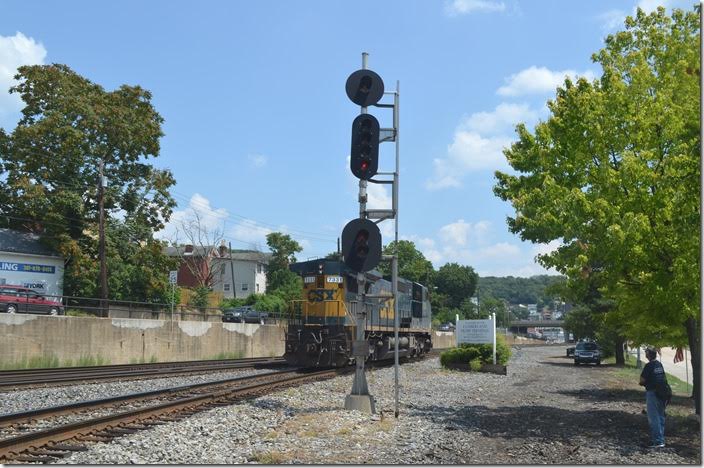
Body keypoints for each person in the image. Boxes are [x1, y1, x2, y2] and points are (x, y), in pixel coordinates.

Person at [639, 347, 666, 448]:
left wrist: (642, 383)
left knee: (653, 417)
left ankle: (658, 442)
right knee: (661, 416)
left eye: (646, 353)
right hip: (663, 393)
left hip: (653, 393)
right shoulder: (659, 364)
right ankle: (661, 439)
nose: (645, 355)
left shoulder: (649, 365)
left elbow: (642, 379)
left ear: (649, 355)